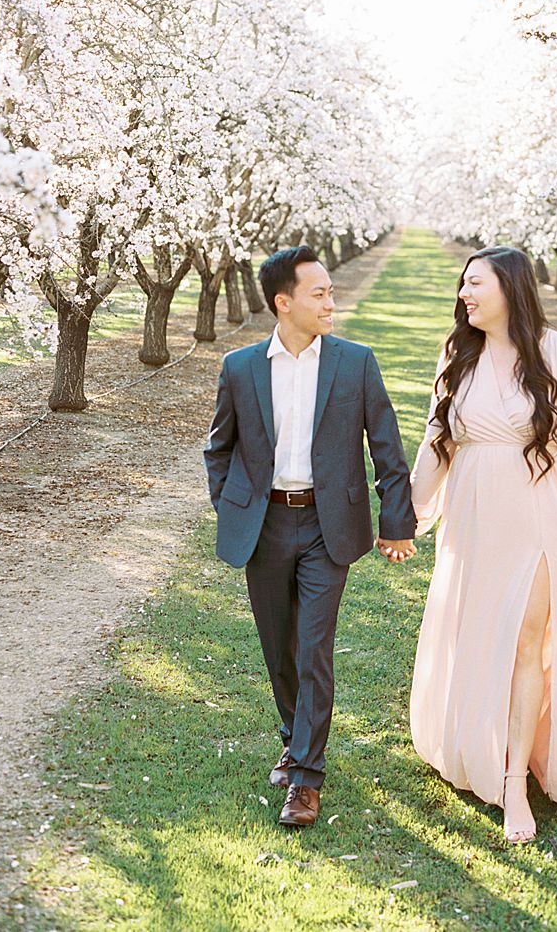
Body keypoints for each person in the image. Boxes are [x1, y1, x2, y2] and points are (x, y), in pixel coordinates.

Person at [409, 245, 557, 841]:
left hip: (539, 520)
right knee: (482, 636)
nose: (464, 294)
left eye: (474, 283)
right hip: (474, 524)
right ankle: (484, 746)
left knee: (526, 642)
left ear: (509, 286)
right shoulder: (459, 354)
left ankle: (513, 784)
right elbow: (436, 442)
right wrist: (405, 515)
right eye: (462, 285)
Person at [204, 245, 416, 829]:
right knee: (278, 647)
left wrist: (396, 523)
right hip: (264, 524)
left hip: (329, 527)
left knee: (313, 646)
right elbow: (217, 448)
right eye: (318, 293)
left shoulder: (355, 363)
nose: (331, 301)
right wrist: (232, 507)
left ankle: (305, 778)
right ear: (284, 302)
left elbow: (388, 449)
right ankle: (293, 737)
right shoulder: (241, 368)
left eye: (330, 291)